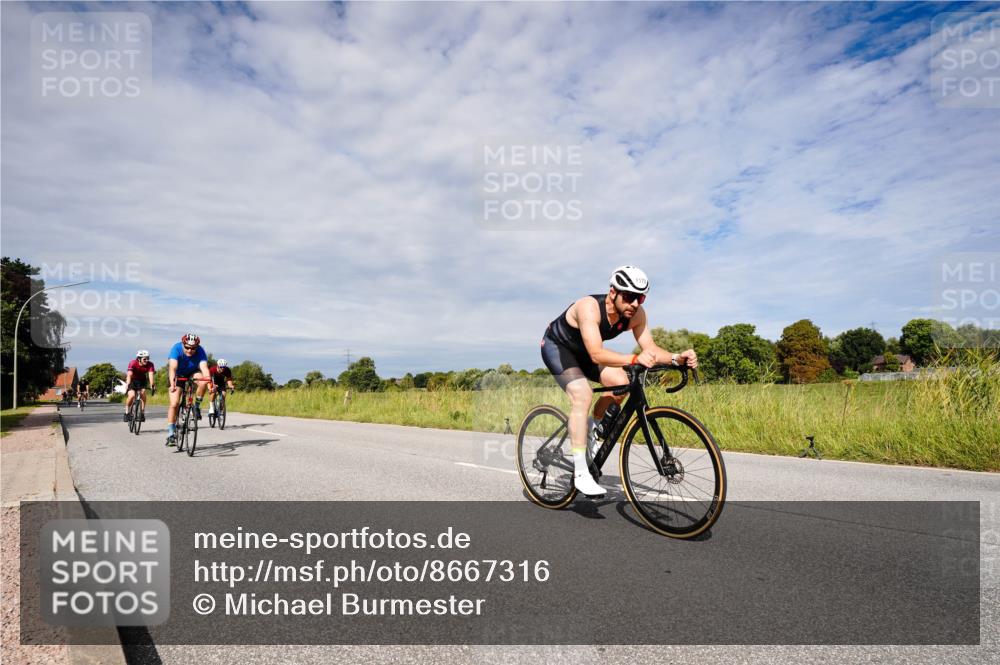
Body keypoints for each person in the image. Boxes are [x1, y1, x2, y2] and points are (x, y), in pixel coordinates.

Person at [540, 265, 697, 496]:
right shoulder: (589, 307)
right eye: (630, 296)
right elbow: (596, 354)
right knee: (582, 394)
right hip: (558, 347)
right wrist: (634, 358)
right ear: (613, 292)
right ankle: (581, 473)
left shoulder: (636, 315)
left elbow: (651, 348)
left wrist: (676, 358)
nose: (635, 304)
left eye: (640, 298)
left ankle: (591, 430)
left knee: (622, 381)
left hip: (584, 352)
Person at [165, 333, 214, 446]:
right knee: (174, 403)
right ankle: (171, 434)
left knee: (203, 381)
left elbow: (204, 368)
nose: (190, 350)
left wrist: (209, 384)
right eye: (187, 347)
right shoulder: (176, 348)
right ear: (183, 344)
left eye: (193, 348)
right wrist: (173, 384)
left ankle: (196, 407)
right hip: (177, 375)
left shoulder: (200, 351)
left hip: (192, 372)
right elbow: (172, 368)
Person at [124, 349, 155, 422]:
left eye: (148, 358)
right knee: (131, 395)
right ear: (139, 359)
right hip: (132, 380)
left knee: (143, 393)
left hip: (142, 380)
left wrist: (152, 385)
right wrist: (128, 384)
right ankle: (127, 413)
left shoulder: (150, 364)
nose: (147, 360)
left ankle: (142, 413)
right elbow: (129, 375)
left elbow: (151, 375)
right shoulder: (133, 363)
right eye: (145, 359)